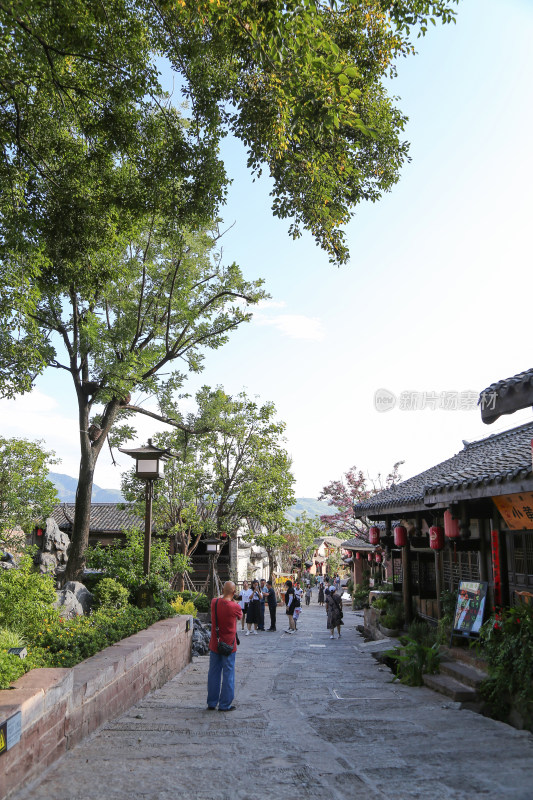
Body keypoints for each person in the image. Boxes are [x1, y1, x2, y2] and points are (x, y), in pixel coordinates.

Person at [207, 581, 242, 711]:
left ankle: (211, 702)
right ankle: (224, 704)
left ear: (222, 590)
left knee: (213, 673)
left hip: (215, 644)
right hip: (229, 645)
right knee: (228, 674)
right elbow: (240, 616)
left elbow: (220, 598)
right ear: (233, 592)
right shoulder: (235, 607)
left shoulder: (214, 602)